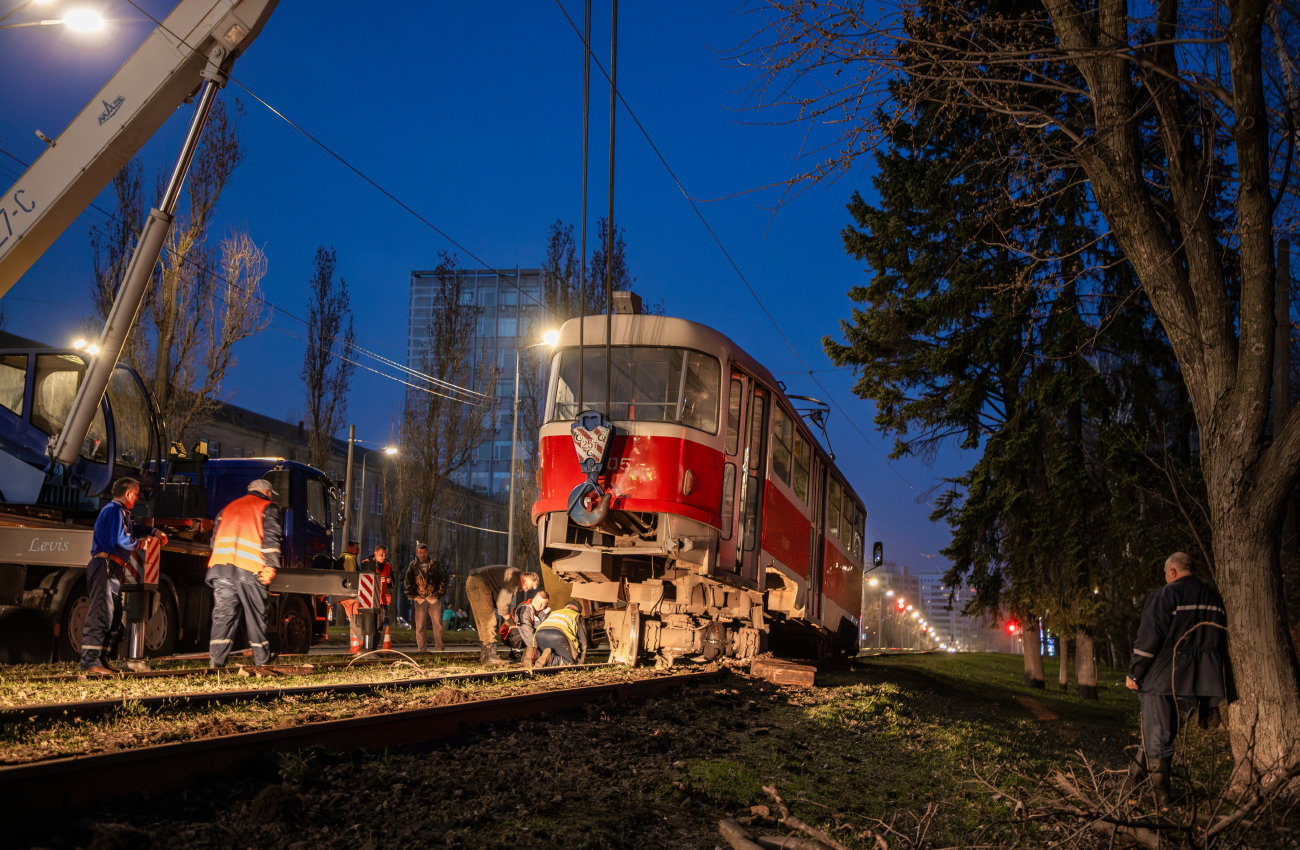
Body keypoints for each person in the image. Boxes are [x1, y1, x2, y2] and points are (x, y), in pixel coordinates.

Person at [1124, 552, 1232, 805]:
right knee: (1159, 734)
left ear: (1172, 572)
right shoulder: (1215, 598)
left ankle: (1159, 796)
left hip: (1163, 678)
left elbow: (1149, 637)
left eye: (1165, 574)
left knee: (1158, 736)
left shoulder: (1166, 595)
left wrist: (1134, 672)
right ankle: (1131, 784)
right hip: (1199, 682)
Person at [81, 478, 167, 674]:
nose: (137, 498)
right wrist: (139, 543)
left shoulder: (120, 513)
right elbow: (121, 538)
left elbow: (131, 529)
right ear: (128, 493)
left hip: (112, 567)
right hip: (106, 566)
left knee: (113, 614)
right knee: (101, 613)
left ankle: (100, 661)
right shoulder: (114, 511)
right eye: (136, 494)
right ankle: (90, 663)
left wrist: (153, 531)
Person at [206, 478, 281, 669]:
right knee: (256, 614)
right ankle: (262, 661)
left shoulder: (227, 508)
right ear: (266, 492)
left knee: (224, 615)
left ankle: (216, 660)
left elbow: (214, 541)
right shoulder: (267, 507)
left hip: (221, 568)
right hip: (249, 568)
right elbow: (271, 538)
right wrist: (271, 565)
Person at [465, 565, 541, 665]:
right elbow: (502, 603)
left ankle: (485, 655)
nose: (526, 590)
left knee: (482, 621)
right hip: (480, 583)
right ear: (525, 578)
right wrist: (509, 621)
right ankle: (491, 656)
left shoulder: (513, 574)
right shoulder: (515, 578)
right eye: (527, 587)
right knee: (489, 620)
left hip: (473, 581)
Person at [404, 543, 447, 652]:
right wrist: (413, 595)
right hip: (420, 599)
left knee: (438, 625)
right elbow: (407, 582)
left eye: (424, 552)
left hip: (433, 598)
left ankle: (439, 648)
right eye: (420, 552)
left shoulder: (435, 564)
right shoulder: (412, 566)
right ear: (417, 553)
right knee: (420, 626)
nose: (423, 555)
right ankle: (422, 649)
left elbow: (443, 579)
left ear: (428, 552)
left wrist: (438, 595)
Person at [533, 601, 589, 668]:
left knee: (542, 655)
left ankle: (533, 656)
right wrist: (581, 662)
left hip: (539, 633)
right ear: (578, 611)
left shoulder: (554, 612)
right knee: (569, 662)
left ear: (564, 607)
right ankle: (550, 659)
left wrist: (534, 646)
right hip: (559, 635)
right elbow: (583, 641)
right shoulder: (577, 616)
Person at [501, 591, 550, 662]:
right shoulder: (524, 608)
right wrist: (537, 651)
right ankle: (515, 654)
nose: (541, 606)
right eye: (539, 603)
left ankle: (528, 652)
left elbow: (544, 629)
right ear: (534, 599)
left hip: (531, 635)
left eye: (544, 603)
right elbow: (526, 631)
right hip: (510, 635)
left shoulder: (546, 611)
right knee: (517, 632)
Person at [359, 544, 394, 639]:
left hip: (382, 601)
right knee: (368, 624)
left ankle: (374, 647)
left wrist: (389, 581)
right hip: (368, 601)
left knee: (379, 626)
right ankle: (366, 646)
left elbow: (392, 582)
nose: (383, 557)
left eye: (385, 555)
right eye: (381, 554)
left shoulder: (388, 566)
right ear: (375, 553)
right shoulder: (365, 564)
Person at [333, 539, 361, 631]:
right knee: (354, 617)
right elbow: (351, 577)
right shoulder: (349, 559)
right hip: (349, 594)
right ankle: (357, 638)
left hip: (343, 593)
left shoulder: (344, 558)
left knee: (351, 617)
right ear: (349, 548)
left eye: (358, 549)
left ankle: (355, 637)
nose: (358, 551)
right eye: (356, 549)